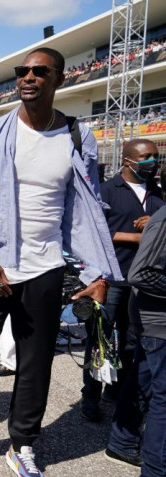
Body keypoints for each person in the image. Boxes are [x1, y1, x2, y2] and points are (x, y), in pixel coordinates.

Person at [0, 47, 121, 477]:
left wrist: (95, 271)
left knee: (36, 362)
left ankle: (21, 444)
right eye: (22, 71)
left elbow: (84, 211)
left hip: (44, 269)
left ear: (59, 78)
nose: (28, 77)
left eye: (40, 71)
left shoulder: (79, 137)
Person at [81, 138, 164, 422]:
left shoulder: (157, 193)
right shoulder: (106, 191)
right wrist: (141, 236)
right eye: (146, 157)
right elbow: (95, 232)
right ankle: (89, 396)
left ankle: (118, 391)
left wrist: (153, 224)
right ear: (128, 160)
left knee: (133, 343)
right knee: (99, 340)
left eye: (155, 157)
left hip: (143, 281)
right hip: (110, 279)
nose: (152, 162)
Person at [106, 203, 166, 477]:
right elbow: (140, 274)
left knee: (142, 377)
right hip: (158, 321)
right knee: (163, 398)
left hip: (153, 320)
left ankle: (122, 442)